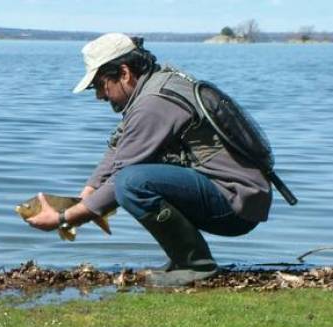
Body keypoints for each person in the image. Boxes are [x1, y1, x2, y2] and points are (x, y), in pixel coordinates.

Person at [26, 33, 272, 286]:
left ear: (124, 73)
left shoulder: (153, 103)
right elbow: (119, 149)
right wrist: (88, 192)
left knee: (131, 182)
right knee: (132, 179)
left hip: (235, 205)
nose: (99, 95)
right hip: (238, 196)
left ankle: (195, 265)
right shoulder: (156, 84)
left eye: (100, 85)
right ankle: (182, 260)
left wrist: (63, 219)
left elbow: (121, 178)